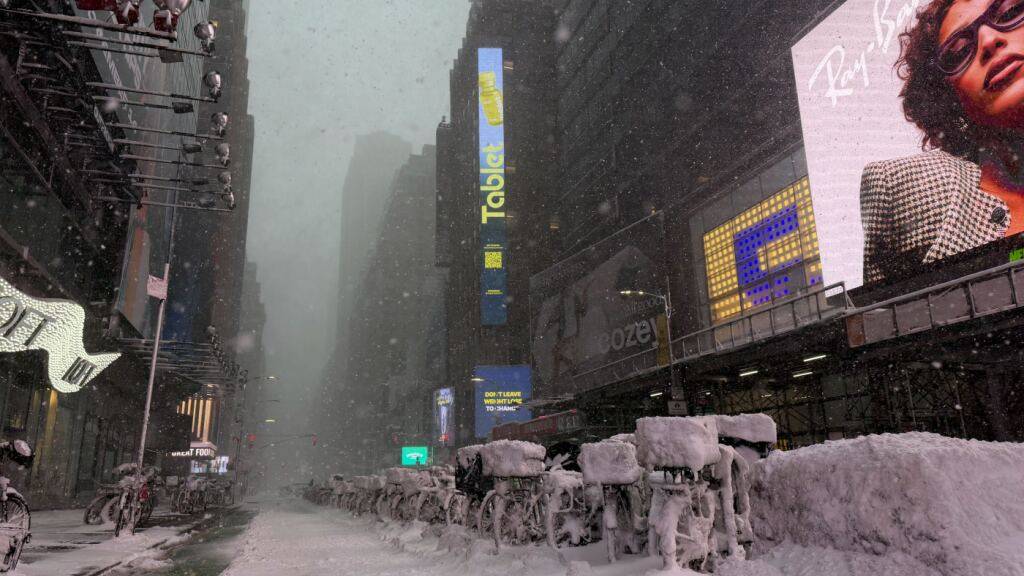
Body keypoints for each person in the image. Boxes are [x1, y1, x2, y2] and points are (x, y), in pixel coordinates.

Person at [861, 0, 1024, 284]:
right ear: (948, 97)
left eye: (1010, 12)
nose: (989, 40)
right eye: (959, 52)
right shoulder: (906, 193)